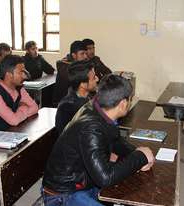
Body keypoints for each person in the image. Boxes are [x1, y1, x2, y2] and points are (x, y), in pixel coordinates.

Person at [42, 74, 155, 205]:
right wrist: (140, 156)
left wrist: (137, 153)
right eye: (130, 99)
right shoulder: (91, 128)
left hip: (84, 182)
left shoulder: (97, 107)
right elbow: (105, 178)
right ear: (123, 104)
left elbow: (115, 140)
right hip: (63, 194)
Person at [0, 55, 38, 132]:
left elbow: (34, 107)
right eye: (20, 72)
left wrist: (19, 113)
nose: (24, 76)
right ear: (9, 75)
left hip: (13, 133)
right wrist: (23, 107)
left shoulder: (19, 88)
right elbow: (14, 121)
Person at [55, 60, 99, 134]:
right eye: (94, 77)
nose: (97, 79)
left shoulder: (89, 96)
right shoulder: (67, 107)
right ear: (83, 85)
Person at [53, 40, 88, 106]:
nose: (85, 56)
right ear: (74, 55)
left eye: (86, 53)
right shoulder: (64, 66)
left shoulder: (79, 64)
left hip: (74, 100)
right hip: (63, 104)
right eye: (82, 53)